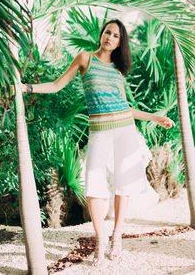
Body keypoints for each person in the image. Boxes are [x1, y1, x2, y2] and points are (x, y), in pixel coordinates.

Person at [19, 19, 175, 266]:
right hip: (100, 132)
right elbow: (57, 85)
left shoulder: (116, 71)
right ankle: (101, 239)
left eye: (115, 36)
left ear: (119, 43)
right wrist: (25, 88)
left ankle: (117, 236)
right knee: (93, 186)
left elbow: (126, 108)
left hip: (124, 130)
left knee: (123, 186)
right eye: (107, 32)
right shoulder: (85, 58)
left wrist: (156, 118)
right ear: (102, 34)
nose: (109, 37)